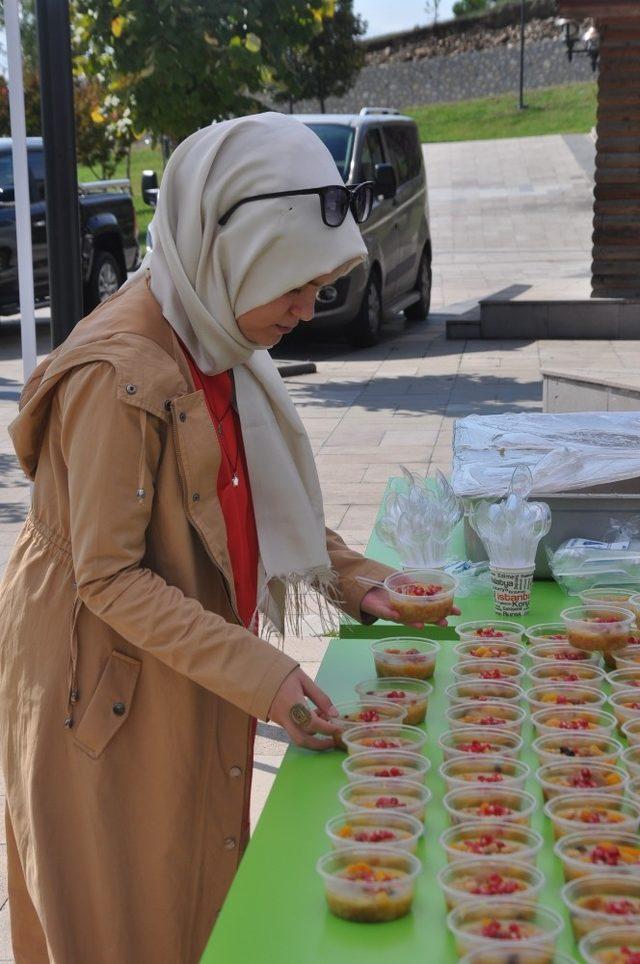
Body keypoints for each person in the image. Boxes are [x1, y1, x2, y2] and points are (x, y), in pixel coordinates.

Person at [0, 113, 455, 963]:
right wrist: (269, 674)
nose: (306, 309)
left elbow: (238, 499)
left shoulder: (214, 331)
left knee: (195, 888)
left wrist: (352, 580)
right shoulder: (120, 372)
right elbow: (108, 579)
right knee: (129, 912)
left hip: (172, 659)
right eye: (290, 284)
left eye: (317, 285)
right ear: (228, 251)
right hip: (98, 687)